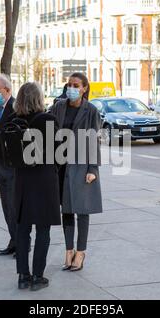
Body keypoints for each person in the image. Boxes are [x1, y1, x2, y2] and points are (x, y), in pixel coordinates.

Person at [7, 82, 61, 291]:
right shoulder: (48, 120)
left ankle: (23, 276)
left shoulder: (13, 121)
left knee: (23, 229)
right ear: (38, 98)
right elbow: (59, 152)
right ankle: (38, 277)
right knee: (43, 230)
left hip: (22, 181)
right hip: (44, 180)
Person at [49, 72, 103, 272]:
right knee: (67, 210)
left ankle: (81, 252)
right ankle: (68, 250)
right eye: (69, 84)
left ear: (84, 88)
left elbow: (94, 140)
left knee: (83, 210)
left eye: (76, 85)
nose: (71, 88)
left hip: (82, 165)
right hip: (61, 166)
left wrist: (92, 168)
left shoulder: (91, 111)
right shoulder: (58, 106)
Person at [0, 74, 18, 257]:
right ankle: (13, 240)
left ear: (7, 90)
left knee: (14, 208)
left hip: (12, 168)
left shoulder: (16, 108)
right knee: (6, 208)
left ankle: (21, 243)